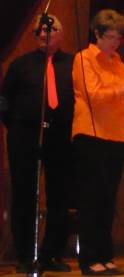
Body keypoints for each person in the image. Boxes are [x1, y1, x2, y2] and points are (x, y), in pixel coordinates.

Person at [1, 13, 75, 274]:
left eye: (51, 30)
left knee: (59, 196)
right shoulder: (20, 64)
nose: (45, 34)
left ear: (61, 34)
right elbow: (4, 101)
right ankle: (24, 254)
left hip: (61, 137)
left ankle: (51, 254)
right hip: (25, 135)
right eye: (40, 31)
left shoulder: (74, 64)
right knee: (24, 195)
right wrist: (18, 126)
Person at [72, 9, 124, 275]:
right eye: (110, 37)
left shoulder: (120, 64)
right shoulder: (83, 59)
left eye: (118, 38)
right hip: (91, 134)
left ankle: (105, 255)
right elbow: (94, 95)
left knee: (108, 200)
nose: (115, 42)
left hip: (116, 138)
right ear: (97, 34)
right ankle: (89, 258)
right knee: (91, 199)